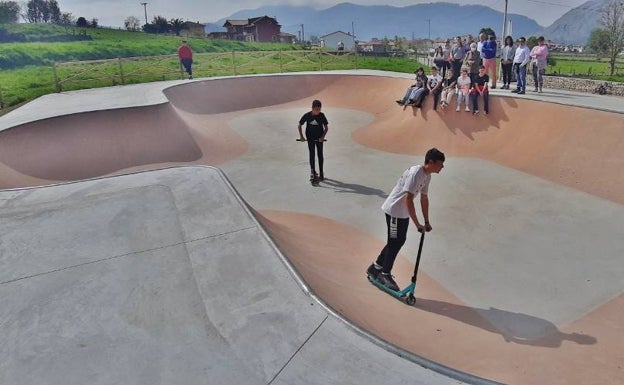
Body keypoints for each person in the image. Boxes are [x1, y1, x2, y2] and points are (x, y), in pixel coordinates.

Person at [366, 148, 446, 291]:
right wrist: (417, 224)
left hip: (403, 213)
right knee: (394, 242)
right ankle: (385, 273)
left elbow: (424, 197)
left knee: (398, 241)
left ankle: (376, 267)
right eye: (440, 164)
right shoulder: (416, 173)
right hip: (394, 210)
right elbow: (409, 200)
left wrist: (426, 222)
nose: (442, 167)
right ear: (431, 162)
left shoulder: (427, 176)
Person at [298, 100, 329, 181]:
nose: (318, 111)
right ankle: (313, 172)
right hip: (310, 138)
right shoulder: (307, 115)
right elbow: (299, 125)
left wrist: (322, 137)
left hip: (319, 138)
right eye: (316, 109)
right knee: (312, 154)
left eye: (319, 109)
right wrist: (301, 136)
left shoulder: (322, 115)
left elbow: (326, 128)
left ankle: (321, 173)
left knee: (320, 155)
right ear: (312, 108)